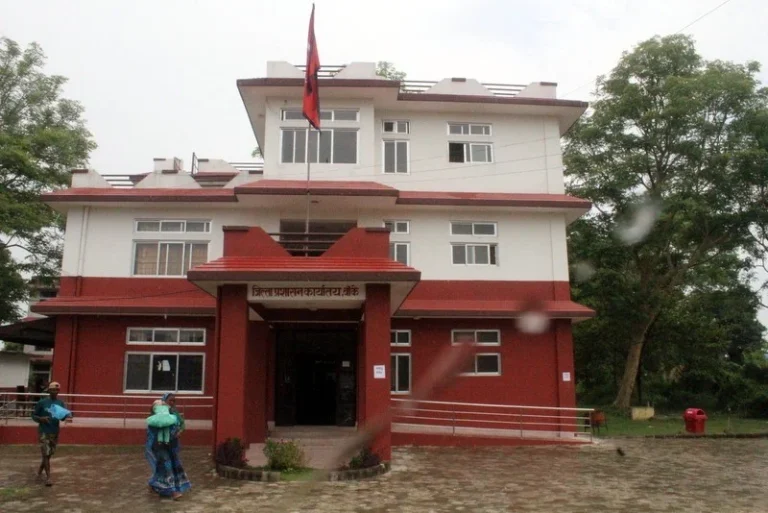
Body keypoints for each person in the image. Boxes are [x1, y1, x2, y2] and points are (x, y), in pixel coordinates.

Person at [144, 393, 191, 500]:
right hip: (158, 446)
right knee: (167, 466)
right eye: (170, 400)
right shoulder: (156, 417)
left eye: (174, 401)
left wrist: (178, 432)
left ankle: (154, 484)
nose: (172, 403)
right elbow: (152, 431)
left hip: (171, 446)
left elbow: (181, 424)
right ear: (164, 402)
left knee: (166, 467)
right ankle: (173, 491)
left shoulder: (174, 414)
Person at [30, 381, 72, 486]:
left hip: (54, 432)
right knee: (45, 453)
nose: (54, 391)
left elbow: (61, 418)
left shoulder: (60, 403)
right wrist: (41, 419)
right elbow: (33, 415)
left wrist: (67, 415)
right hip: (44, 432)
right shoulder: (42, 402)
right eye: (52, 389)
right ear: (49, 390)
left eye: (57, 390)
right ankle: (48, 478)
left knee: (48, 455)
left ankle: (39, 471)